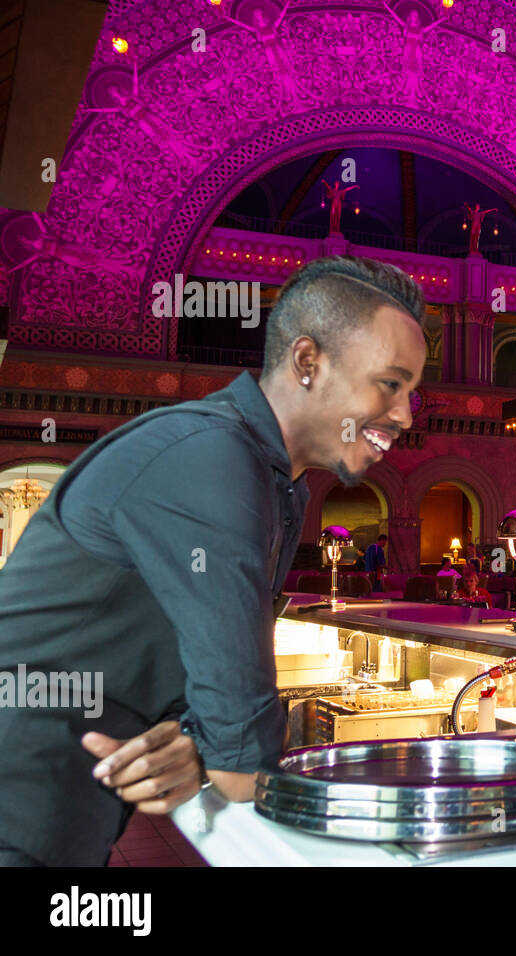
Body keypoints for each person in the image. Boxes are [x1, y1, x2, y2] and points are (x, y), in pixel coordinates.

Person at [0, 255, 427, 866]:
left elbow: (213, 701)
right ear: (308, 362)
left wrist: (198, 740)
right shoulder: (213, 457)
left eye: (411, 391)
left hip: (68, 811)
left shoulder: (280, 485)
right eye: (389, 384)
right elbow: (242, 752)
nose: (405, 416)